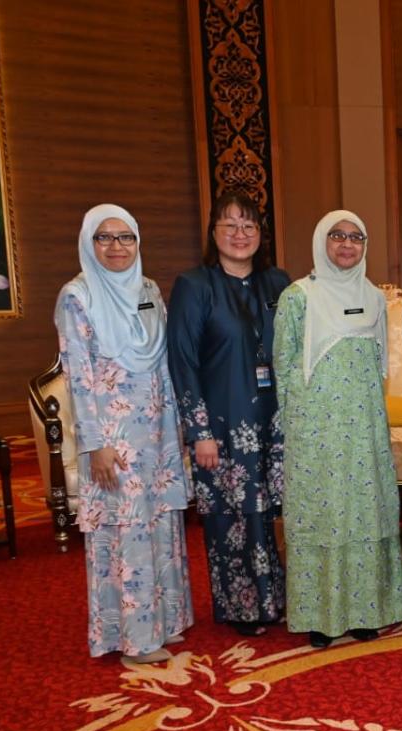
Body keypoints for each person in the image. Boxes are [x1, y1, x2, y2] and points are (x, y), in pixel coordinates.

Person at [55, 204, 193, 665]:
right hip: (113, 436)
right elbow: (78, 377)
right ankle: (134, 640)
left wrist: (176, 428)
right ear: (88, 244)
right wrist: (95, 443)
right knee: (127, 528)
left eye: (125, 237)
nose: (116, 247)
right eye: (104, 238)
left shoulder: (148, 288)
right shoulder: (77, 297)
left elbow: (162, 359)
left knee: (161, 521)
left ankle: (164, 622)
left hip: (157, 429)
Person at [273, 210, 402, 647]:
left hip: (364, 429)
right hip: (316, 431)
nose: (347, 244)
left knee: (364, 512)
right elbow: (283, 365)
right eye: (337, 236)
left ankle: (366, 610)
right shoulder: (298, 297)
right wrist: (295, 425)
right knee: (322, 515)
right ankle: (320, 616)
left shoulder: (372, 297)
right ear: (321, 241)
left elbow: (378, 367)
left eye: (356, 237)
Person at [167, 192, 288, 637]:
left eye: (249, 225)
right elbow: (182, 362)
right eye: (230, 225)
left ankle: (279, 599)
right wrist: (199, 431)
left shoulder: (279, 283)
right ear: (213, 233)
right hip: (222, 424)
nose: (240, 234)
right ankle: (243, 607)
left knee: (272, 513)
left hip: (275, 422)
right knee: (233, 517)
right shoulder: (194, 286)